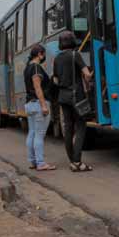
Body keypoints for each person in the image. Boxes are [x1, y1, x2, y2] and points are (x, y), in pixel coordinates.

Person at [52, 31, 94, 172]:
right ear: (72, 41)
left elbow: (56, 79)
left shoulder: (57, 58)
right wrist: (89, 77)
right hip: (76, 96)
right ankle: (77, 161)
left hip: (63, 97)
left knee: (68, 128)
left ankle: (72, 160)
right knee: (81, 126)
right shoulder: (75, 55)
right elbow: (87, 75)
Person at [23, 44, 55, 171]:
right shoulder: (36, 68)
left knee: (32, 133)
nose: (44, 57)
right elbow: (38, 87)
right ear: (40, 54)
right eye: (44, 54)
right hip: (38, 104)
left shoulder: (27, 68)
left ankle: (32, 161)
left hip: (30, 105)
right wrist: (43, 105)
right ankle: (41, 163)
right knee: (39, 135)